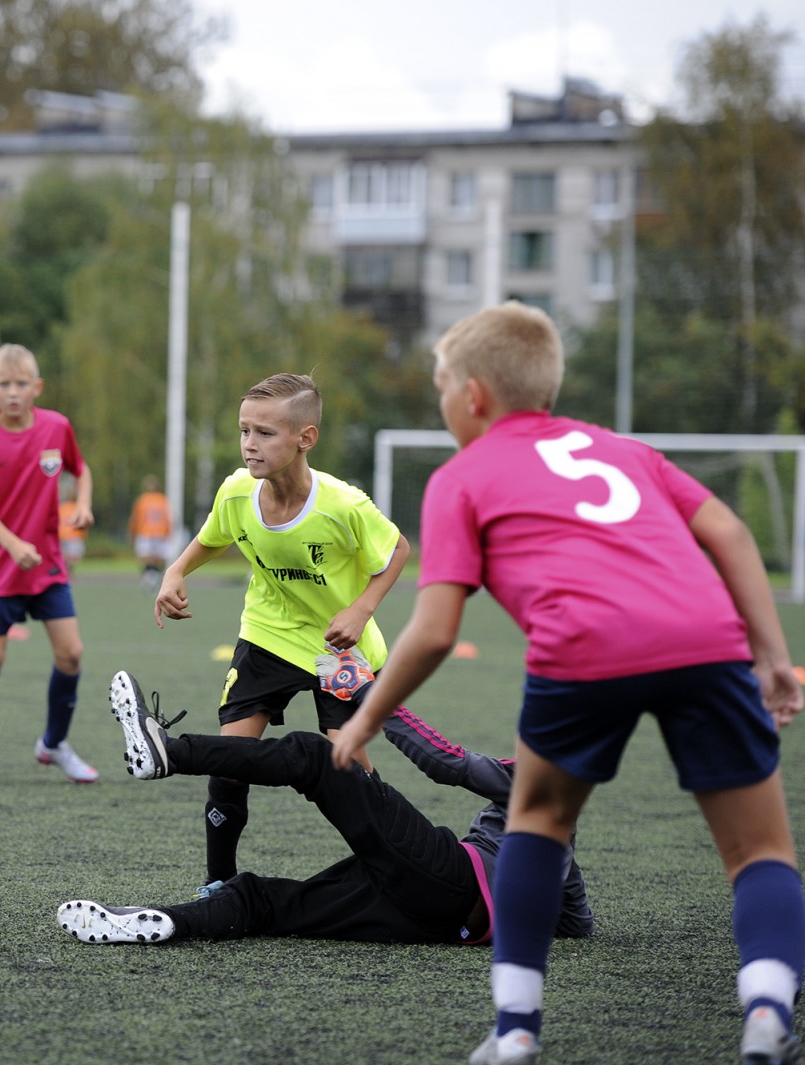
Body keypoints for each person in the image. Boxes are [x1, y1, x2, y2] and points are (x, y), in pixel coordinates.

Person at [328, 302, 805, 1065]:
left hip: (584, 650)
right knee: (758, 851)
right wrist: (772, 655)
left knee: (538, 824)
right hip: (706, 642)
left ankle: (516, 1028)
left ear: (474, 395)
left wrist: (365, 719)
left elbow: (437, 629)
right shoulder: (621, 449)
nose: (442, 403)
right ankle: (768, 1007)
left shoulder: (460, 477)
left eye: (443, 387)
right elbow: (730, 533)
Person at [60, 669, 593, 947]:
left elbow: (444, 762)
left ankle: (169, 753)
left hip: (447, 877)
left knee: (316, 755)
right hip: (430, 923)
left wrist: (367, 692)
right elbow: (577, 924)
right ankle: (163, 924)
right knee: (266, 903)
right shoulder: (562, 838)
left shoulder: (537, 783)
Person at [153, 372, 408, 893]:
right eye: (244, 431)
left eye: (265, 433)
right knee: (229, 764)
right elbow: (209, 538)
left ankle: (399, 873)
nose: (250, 444)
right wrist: (174, 572)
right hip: (267, 637)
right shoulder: (236, 492)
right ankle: (218, 884)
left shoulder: (344, 505)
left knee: (351, 775)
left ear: (304, 438)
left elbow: (398, 549)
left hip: (341, 649)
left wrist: (361, 610)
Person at [0, 342, 97, 786]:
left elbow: (81, 468)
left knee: (71, 653)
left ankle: (53, 744)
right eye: (5, 384)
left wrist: (84, 505)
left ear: (37, 387)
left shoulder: (57, 427)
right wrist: (14, 544)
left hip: (48, 566)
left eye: (22, 384)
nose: (13, 392)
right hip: (0, 568)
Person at [128, 476, 171, 591]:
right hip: (158, 533)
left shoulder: (142, 500)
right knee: (157, 559)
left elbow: (134, 519)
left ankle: (150, 579)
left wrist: (132, 533)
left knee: (147, 558)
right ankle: (154, 579)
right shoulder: (162, 499)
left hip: (146, 532)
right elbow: (169, 518)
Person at [57, 476, 87, 573]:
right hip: (64, 537)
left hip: (72, 537)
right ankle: (66, 570)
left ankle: (68, 570)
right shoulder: (61, 507)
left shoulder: (74, 507)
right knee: (66, 557)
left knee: (71, 558)